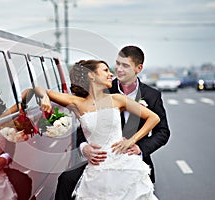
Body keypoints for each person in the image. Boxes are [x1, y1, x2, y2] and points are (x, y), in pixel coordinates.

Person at [54, 46, 170, 199]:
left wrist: (138, 147)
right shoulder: (103, 88)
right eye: (118, 64)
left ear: (138, 68)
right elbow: (84, 126)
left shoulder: (152, 95)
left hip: (132, 160)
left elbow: (163, 132)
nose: (118, 70)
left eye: (125, 65)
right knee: (66, 179)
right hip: (99, 157)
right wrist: (84, 148)